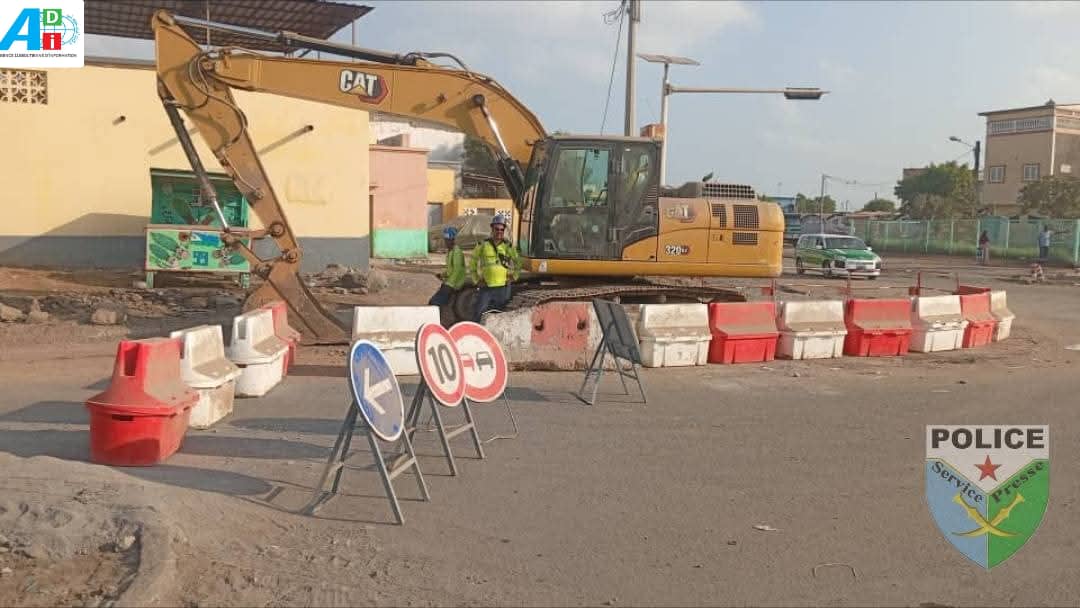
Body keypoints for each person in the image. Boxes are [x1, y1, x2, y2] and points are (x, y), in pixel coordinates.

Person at [471, 215, 522, 322]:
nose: (499, 231)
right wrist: (476, 279)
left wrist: (515, 276)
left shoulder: (507, 246)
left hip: (503, 288)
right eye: (497, 229)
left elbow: (518, 262)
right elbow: (473, 262)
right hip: (486, 286)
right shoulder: (483, 245)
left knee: (499, 314)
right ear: (492, 229)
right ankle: (477, 333)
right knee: (478, 312)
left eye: (502, 229)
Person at [427, 226, 466, 307]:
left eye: (448, 240)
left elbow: (457, 270)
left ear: (452, 240)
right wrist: (442, 275)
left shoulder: (456, 252)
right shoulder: (450, 251)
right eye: (445, 240)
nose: (446, 242)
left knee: (434, 302)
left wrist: (449, 284)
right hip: (451, 281)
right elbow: (450, 269)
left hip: (456, 282)